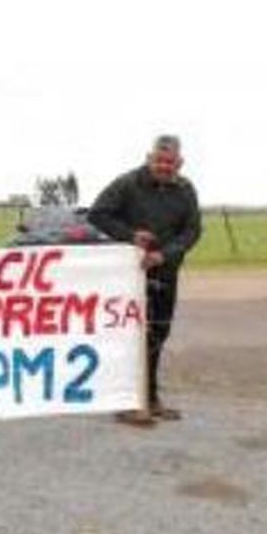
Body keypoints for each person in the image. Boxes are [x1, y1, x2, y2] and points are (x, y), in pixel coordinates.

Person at [88, 134, 202, 427]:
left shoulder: (186, 190)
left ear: (180, 162)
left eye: (170, 162)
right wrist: (130, 236)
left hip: (165, 270)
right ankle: (127, 403)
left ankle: (150, 399)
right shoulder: (127, 184)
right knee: (129, 337)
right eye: (159, 160)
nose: (164, 166)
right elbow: (97, 215)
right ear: (149, 157)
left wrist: (164, 255)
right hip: (128, 274)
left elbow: (192, 231)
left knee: (157, 336)